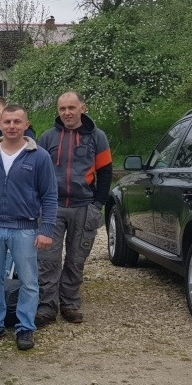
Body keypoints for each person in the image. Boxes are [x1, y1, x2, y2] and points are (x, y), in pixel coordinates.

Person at [0, 104, 57, 351]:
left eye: (17, 122)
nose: (12, 126)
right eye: (7, 122)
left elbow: (49, 195)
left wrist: (46, 229)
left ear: (26, 125)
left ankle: (25, 328)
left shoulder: (39, 157)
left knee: (28, 281)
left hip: (24, 229)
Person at [36, 91, 113, 326]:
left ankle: (69, 304)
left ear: (83, 108)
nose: (67, 113)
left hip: (83, 207)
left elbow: (106, 172)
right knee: (47, 260)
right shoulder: (47, 138)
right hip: (52, 208)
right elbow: (35, 171)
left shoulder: (97, 137)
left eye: (71, 107)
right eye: (62, 109)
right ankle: (46, 306)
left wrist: (97, 205)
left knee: (76, 258)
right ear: (58, 111)